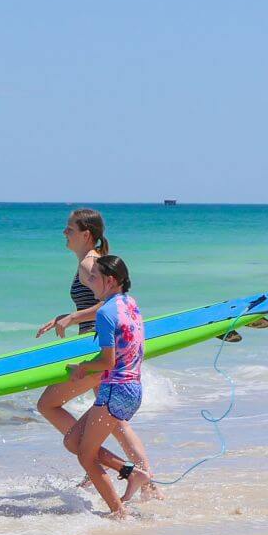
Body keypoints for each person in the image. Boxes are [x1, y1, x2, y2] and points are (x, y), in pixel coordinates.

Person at [32, 209, 159, 499]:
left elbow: (108, 305)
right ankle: (145, 481)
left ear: (86, 234)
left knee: (48, 404)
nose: (65, 233)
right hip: (102, 347)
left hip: (97, 351)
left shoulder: (89, 264)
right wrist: (65, 317)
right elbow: (108, 304)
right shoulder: (94, 261)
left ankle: (98, 460)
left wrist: (73, 318)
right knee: (115, 423)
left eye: (70, 229)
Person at [62, 255, 145, 517]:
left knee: (85, 456)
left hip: (115, 390)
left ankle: (119, 513)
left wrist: (83, 367)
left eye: (94, 276)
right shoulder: (129, 303)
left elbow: (108, 361)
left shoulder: (106, 313)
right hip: (133, 388)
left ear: (109, 281)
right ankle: (130, 472)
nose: (89, 281)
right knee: (73, 441)